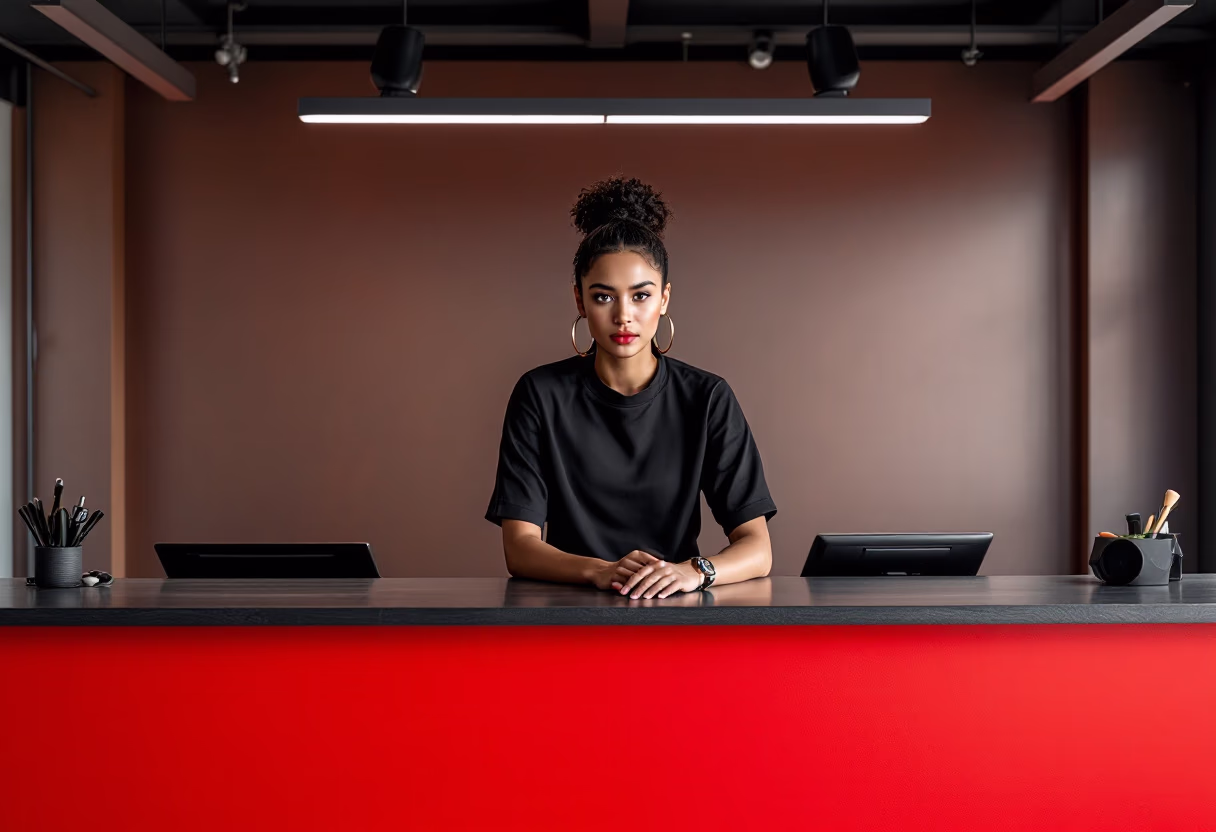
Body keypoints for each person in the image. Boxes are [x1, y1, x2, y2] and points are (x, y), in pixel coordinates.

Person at [485, 175, 776, 600]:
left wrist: (693, 572)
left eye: (641, 296)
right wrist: (601, 571)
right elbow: (520, 547)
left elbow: (757, 547)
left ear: (664, 299)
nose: (624, 316)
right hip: (568, 613)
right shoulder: (539, 394)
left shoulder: (707, 397)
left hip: (675, 611)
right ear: (580, 301)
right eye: (604, 297)